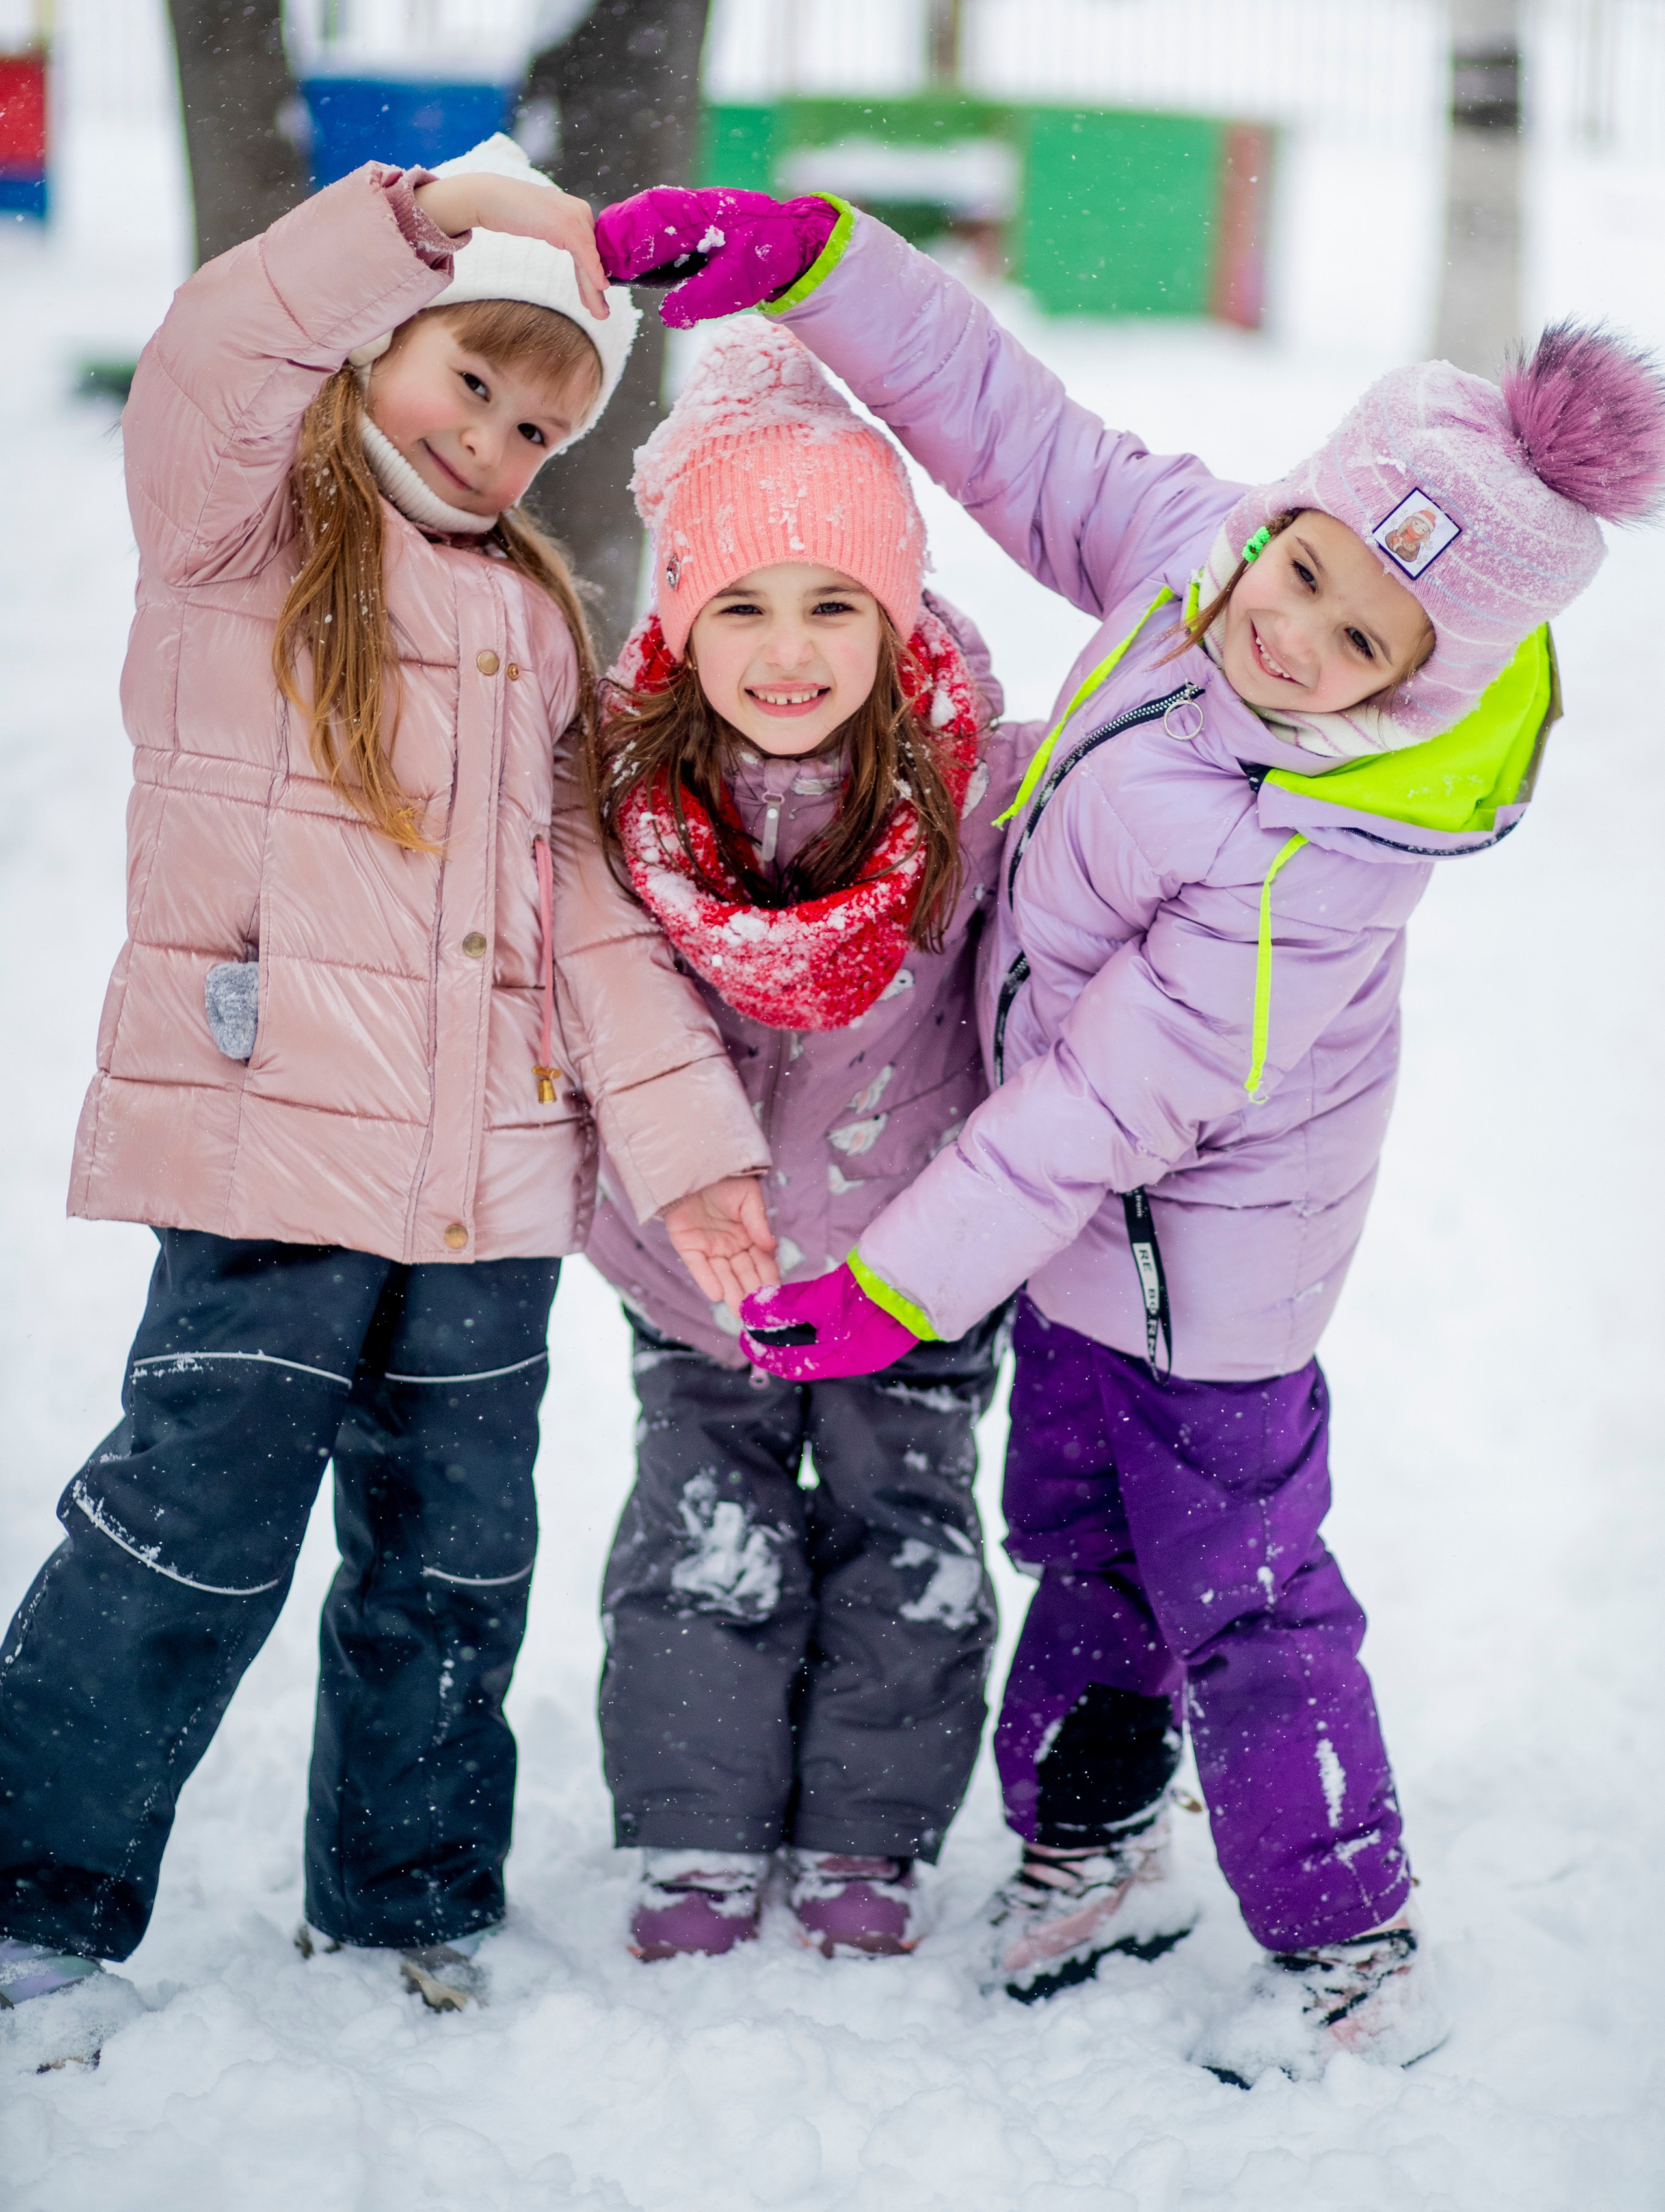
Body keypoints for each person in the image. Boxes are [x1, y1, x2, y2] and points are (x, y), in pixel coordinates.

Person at [596, 187, 1665, 2074]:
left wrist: (897, 1283)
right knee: (1077, 1538)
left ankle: (1353, 1939)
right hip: (1075, 1241)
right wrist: (822, 265)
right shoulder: (1194, 566)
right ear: (1290, 512)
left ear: (1420, 677)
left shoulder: (1320, 848)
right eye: (1307, 564)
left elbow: (1112, 1098)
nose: (1293, 629)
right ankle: (1094, 1843)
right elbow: (1012, 426)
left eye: (1361, 635)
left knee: (1241, 1588)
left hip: (1206, 1274)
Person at [0, 138, 769, 2067]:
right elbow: (210, 354)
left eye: (540, 423)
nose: (498, 439)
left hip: (488, 1191)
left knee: (454, 1560)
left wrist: (689, 1154)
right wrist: (414, 222)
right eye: (470, 378)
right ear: (377, 349)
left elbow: (582, 912)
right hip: (276, 1155)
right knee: (183, 1538)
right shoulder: (239, 533)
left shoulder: (532, 623)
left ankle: (411, 1894)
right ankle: (35, 1893)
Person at [571, 317, 1036, 1960]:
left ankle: (869, 1829)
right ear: (679, 619)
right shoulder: (621, 786)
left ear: (896, 610)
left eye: (834, 602)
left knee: (901, 1532)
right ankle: (698, 1830)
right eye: (741, 605)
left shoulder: (976, 783)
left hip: (913, 1252)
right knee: (702, 1523)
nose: (789, 648)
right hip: (700, 1260)